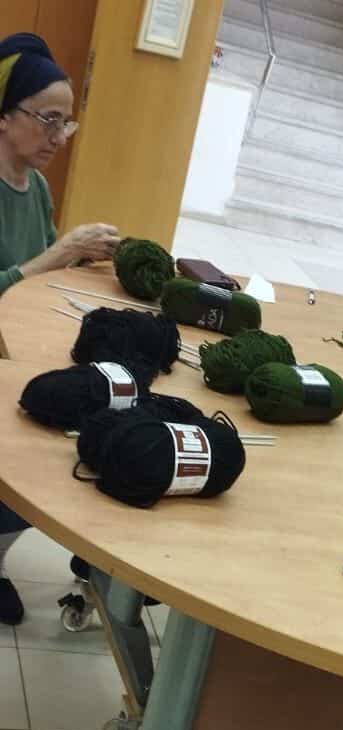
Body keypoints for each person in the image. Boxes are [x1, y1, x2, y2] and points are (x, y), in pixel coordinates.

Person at [0, 32, 120, 624]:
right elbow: (27, 273)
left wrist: (83, 257)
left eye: (65, 124)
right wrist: (59, 253)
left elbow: (40, 283)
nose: (58, 137)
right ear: (5, 115)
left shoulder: (37, 186)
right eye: (47, 120)